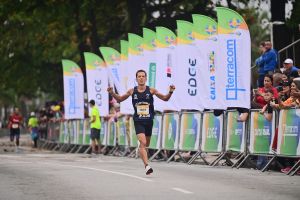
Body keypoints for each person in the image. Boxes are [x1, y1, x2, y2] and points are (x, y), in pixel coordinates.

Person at [107, 69, 175, 175]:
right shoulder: (132, 91)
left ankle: (142, 151)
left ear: (146, 78)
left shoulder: (151, 90)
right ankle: (147, 166)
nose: (141, 78)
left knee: (146, 145)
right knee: (143, 143)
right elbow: (119, 99)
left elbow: (165, 98)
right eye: (139, 76)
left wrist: (170, 91)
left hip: (149, 121)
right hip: (138, 121)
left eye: (143, 76)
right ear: (136, 79)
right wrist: (112, 93)